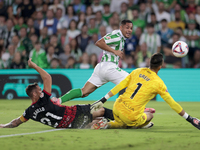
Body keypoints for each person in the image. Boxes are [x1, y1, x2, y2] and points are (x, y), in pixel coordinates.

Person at [91, 53, 200, 130]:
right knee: (150, 116)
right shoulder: (159, 83)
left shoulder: (137, 71)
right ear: (160, 67)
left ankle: (107, 124)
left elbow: (120, 86)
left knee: (120, 123)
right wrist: (190, 118)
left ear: (150, 63)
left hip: (117, 107)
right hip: (130, 115)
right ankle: (140, 125)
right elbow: (172, 104)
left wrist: (103, 99)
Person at [0, 58, 111, 129]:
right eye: (39, 90)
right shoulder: (43, 100)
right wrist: (34, 66)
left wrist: (3, 126)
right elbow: (47, 77)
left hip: (69, 125)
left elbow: (15, 123)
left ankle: (108, 123)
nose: (41, 91)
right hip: (74, 113)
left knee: (96, 122)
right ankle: (125, 119)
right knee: (101, 111)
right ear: (34, 94)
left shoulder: (29, 112)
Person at [53, 20, 133, 105]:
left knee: (84, 92)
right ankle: (136, 109)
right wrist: (114, 51)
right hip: (109, 67)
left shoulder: (120, 37)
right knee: (133, 82)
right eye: (127, 27)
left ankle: (58, 101)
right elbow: (99, 42)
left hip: (101, 68)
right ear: (121, 28)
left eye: (131, 28)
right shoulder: (117, 35)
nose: (129, 30)